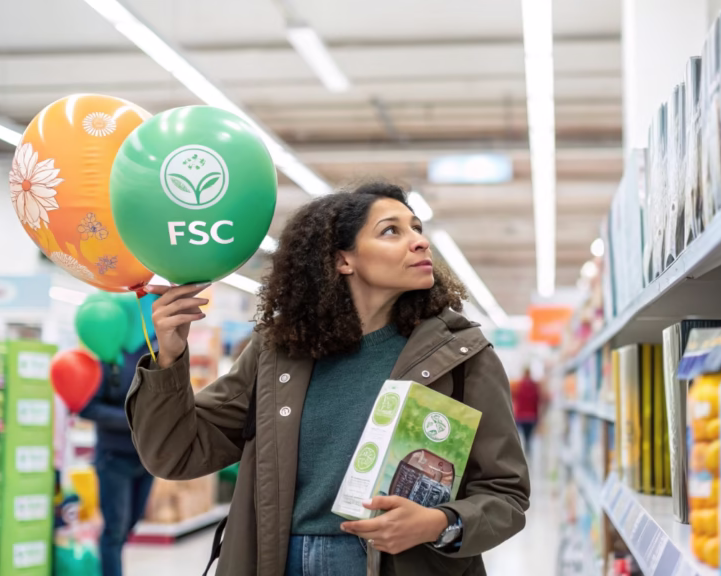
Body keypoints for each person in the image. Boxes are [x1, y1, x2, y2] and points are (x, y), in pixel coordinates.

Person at [125, 182, 531, 576]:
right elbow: (176, 453)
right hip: (277, 558)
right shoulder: (279, 351)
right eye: (392, 230)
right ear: (342, 260)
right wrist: (170, 358)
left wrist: (439, 523)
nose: (419, 241)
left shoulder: (460, 355)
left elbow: (505, 493)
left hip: (399, 562)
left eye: (416, 229)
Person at [79, 340, 157, 576]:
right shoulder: (107, 353)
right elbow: (87, 407)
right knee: (114, 530)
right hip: (114, 458)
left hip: (148, 457)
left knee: (128, 526)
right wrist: (133, 420)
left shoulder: (157, 350)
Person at [512, 368, 543, 454]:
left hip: (520, 417)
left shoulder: (519, 385)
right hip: (531, 417)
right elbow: (537, 401)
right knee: (528, 437)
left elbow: (515, 399)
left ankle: (519, 453)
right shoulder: (534, 385)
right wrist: (537, 418)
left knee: (518, 436)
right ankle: (527, 451)